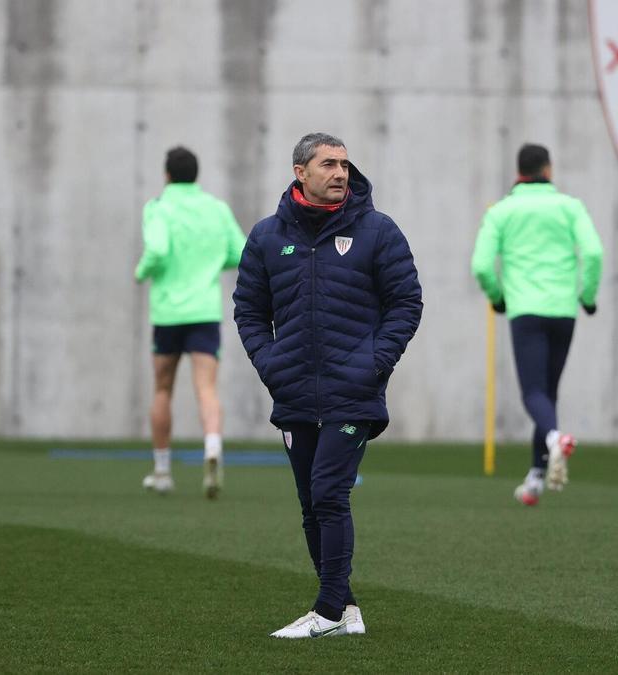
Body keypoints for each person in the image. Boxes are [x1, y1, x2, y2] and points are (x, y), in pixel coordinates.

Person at [234, 132, 423, 638]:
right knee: (309, 503)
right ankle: (349, 610)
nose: (340, 173)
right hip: (293, 389)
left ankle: (329, 612)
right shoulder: (268, 236)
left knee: (328, 494)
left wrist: (374, 363)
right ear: (300, 172)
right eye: (327, 164)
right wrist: (270, 362)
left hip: (352, 391)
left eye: (344, 164)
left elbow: (407, 303)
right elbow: (249, 310)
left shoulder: (378, 232)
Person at [471, 143, 603, 506]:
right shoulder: (569, 206)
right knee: (549, 393)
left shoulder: (502, 211)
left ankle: (552, 444)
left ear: (519, 171)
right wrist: (587, 296)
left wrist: (498, 297)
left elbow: (481, 265)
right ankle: (535, 478)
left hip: (525, 310)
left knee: (533, 393)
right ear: (548, 169)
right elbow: (592, 252)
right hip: (563, 311)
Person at [134, 146, 247, 498]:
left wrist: (141, 273)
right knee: (206, 388)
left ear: (167, 174)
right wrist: (211, 265)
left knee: (163, 388)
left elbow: (156, 250)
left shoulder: (158, 207)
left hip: (168, 313)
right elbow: (240, 252)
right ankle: (212, 448)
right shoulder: (216, 209)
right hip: (204, 311)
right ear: (196, 175)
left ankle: (163, 471)